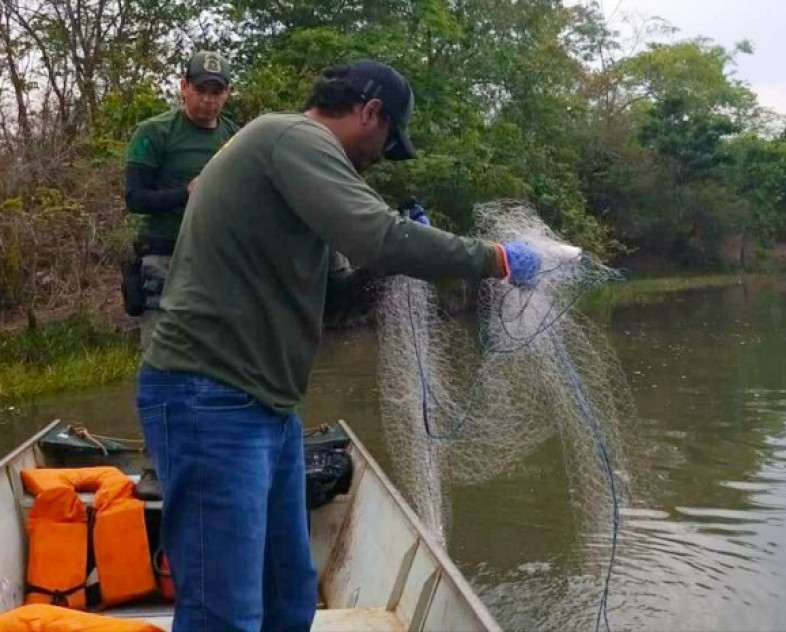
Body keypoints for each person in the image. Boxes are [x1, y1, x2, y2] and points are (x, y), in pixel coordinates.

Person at [135, 60, 540, 631]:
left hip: (267, 407)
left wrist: (393, 267)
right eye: (386, 142)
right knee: (223, 612)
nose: (380, 158)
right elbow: (374, 236)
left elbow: (337, 300)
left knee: (288, 599)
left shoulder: (303, 177)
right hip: (208, 395)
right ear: (370, 112)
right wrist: (493, 260)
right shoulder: (290, 136)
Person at [123, 51, 238, 349]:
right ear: (184, 87)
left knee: (217, 354)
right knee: (161, 352)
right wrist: (186, 193)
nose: (208, 100)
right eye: (200, 90)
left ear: (228, 93)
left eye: (217, 91)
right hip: (165, 257)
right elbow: (135, 198)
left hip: (216, 259)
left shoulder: (235, 137)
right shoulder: (155, 132)